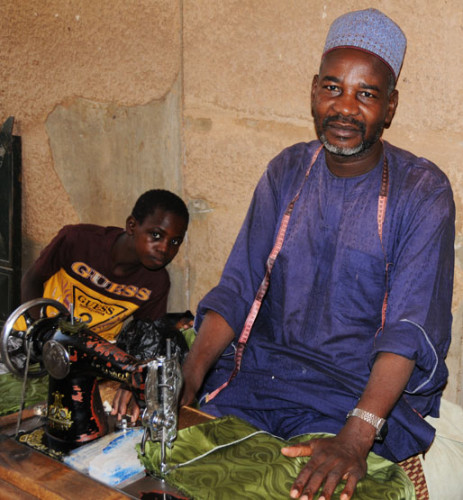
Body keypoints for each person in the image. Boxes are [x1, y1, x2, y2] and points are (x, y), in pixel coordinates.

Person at [181, 8, 455, 500]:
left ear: (390, 107)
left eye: (366, 94)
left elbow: (409, 330)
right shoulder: (285, 171)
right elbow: (238, 287)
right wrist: (191, 375)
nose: (345, 107)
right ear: (313, 91)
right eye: (333, 88)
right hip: (258, 381)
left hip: (352, 400)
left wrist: (356, 434)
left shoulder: (422, 191)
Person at [21, 189, 189, 420]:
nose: (165, 249)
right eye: (156, 235)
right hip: (34, 348)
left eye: (175, 241)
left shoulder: (156, 282)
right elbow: (31, 280)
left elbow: (146, 336)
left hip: (94, 361)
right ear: (132, 226)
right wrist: (42, 328)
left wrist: (132, 382)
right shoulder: (77, 241)